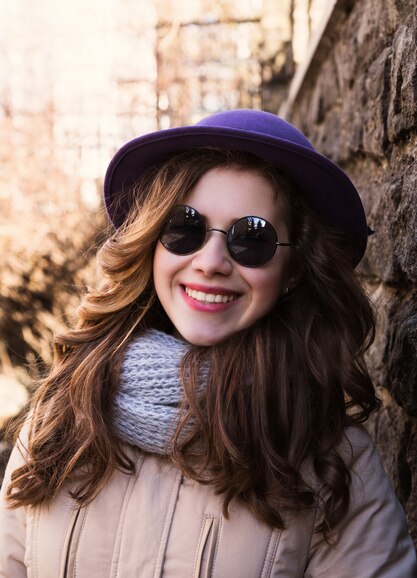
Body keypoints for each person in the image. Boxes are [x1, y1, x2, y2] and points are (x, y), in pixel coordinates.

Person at [1, 109, 416, 577]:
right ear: (151, 241)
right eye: (186, 228)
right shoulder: (60, 416)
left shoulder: (333, 461)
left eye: (251, 238)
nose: (211, 261)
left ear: (294, 271)